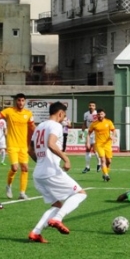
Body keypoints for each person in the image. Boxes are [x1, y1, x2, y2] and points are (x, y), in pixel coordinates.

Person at [27, 101, 87, 243]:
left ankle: (36, 232)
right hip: (51, 172)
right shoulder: (56, 126)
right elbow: (51, 143)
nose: (63, 118)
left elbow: (30, 150)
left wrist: (42, 162)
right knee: (80, 194)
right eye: (64, 115)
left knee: (57, 205)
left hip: (38, 174)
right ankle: (58, 218)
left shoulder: (39, 126)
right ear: (60, 113)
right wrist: (66, 159)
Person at [0, 93, 36, 200]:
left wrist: (40, 132)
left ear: (25, 102)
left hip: (23, 146)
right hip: (12, 145)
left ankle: (22, 193)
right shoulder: (9, 111)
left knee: (25, 168)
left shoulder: (28, 113)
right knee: (15, 168)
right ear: (16, 101)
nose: (21, 103)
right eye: (19, 100)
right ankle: (8, 185)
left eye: (22, 101)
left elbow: (32, 126)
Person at [87, 108, 115, 182]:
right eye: (98, 114)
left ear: (104, 114)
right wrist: (88, 142)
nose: (100, 115)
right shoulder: (94, 124)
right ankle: (106, 174)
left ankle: (105, 173)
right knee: (102, 160)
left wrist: (113, 136)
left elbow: (113, 130)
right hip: (99, 144)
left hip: (107, 144)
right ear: (97, 115)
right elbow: (89, 133)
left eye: (101, 114)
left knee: (109, 161)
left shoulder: (108, 122)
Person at [82, 101, 98, 173]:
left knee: (95, 150)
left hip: (95, 133)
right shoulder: (86, 114)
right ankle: (87, 167)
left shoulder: (97, 114)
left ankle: (99, 164)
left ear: (95, 107)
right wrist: (82, 132)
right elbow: (84, 123)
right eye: (90, 105)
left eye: (93, 105)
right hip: (89, 133)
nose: (91, 107)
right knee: (88, 149)